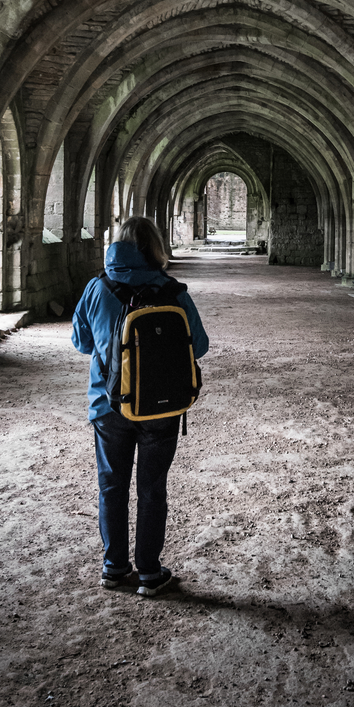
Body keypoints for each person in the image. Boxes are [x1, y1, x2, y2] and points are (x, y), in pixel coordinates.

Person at [72, 216, 209, 596]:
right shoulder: (171, 289)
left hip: (108, 406)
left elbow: (81, 342)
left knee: (112, 486)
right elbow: (199, 345)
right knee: (152, 488)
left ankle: (114, 567)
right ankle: (149, 571)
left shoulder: (96, 288)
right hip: (160, 408)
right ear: (154, 246)